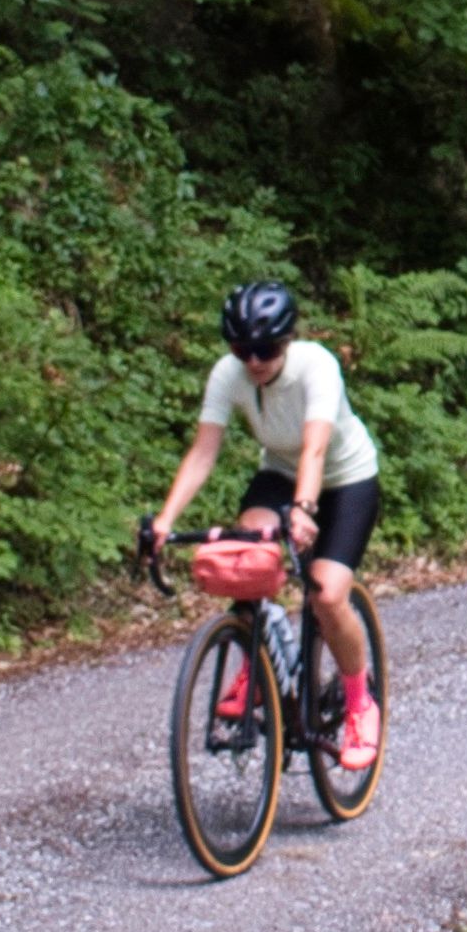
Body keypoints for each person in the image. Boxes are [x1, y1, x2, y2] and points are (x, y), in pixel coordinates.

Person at [146, 280, 382, 773]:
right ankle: (256, 659)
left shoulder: (316, 366)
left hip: (345, 479)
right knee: (246, 553)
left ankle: (361, 704)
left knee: (327, 593)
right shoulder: (228, 375)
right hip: (278, 472)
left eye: (267, 349)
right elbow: (204, 450)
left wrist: (303, 508)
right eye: (242, 349)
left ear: (288, 340)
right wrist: (165, 521)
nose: (254, 361)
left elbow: (315, 447)